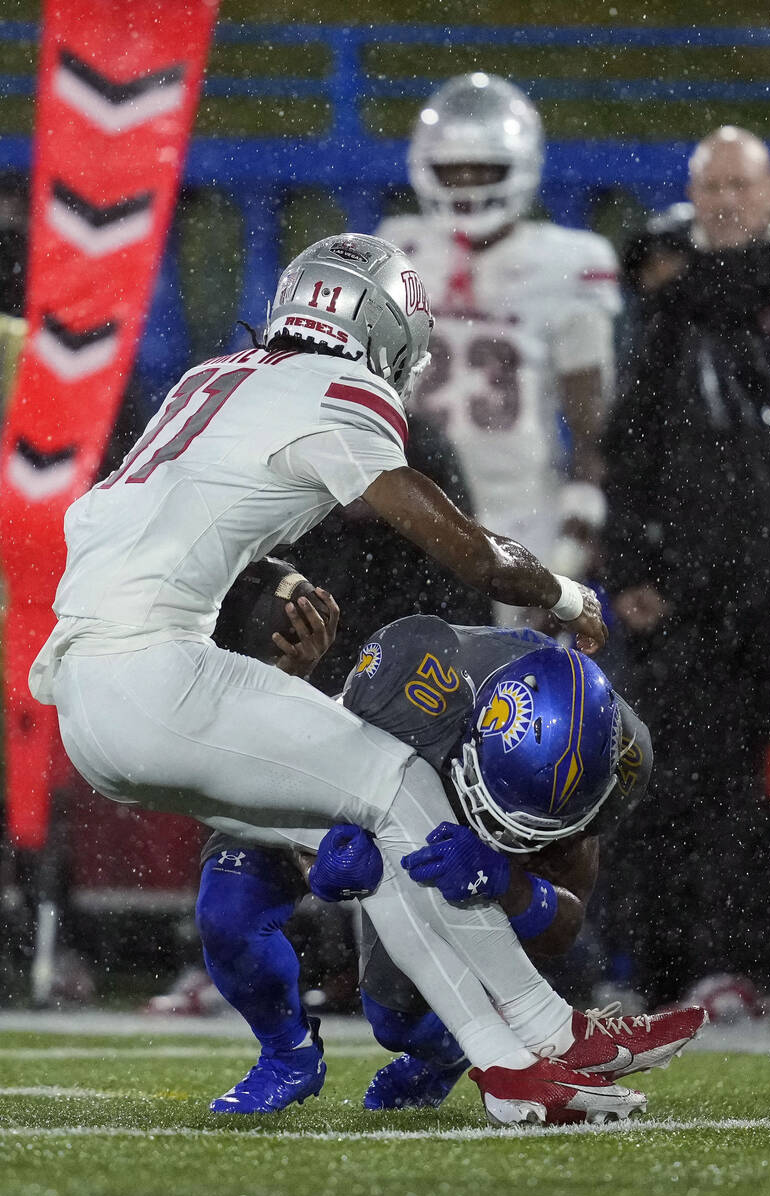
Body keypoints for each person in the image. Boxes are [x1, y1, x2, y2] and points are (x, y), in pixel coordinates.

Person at [28, 231, 644, 1128]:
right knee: (400, 786)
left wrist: (267, 580)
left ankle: (498, 1058)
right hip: (156, 674)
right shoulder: (340, 389)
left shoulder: (211, 378)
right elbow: (474, 558)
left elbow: (158, 517)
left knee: (386, 829)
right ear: (382, 328)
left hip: (89, 703)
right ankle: (538, 1043)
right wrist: (564, 593)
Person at [195, 587, 705, 1115]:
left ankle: (448, 1053)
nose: (510, 831)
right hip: (338, 781)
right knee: (228, 911)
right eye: (500, 808)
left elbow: (565, 924)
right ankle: (286, 1056)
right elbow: (312, 769)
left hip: (444, 829)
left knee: (398, 1019)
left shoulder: (616, 760)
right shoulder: (412, 678)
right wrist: (318, 853)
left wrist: (508, 884)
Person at [604, 127, 770, 1009]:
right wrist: (632, 561)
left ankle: (754, 961)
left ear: (768, 193)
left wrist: (680, 282)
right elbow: (631, 442)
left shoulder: (683, 285)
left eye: (738, 185)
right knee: (694, 777)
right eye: (710, 185)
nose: (725, 200)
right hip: (701, 584)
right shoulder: (666, 301)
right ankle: (709, 963)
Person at [377, 73, 620, 598]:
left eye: (482, 168)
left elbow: (591, 427)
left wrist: (574, 538)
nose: (467, 183)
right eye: (453, 169)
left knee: (510, 676)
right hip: (412, 510)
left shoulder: (568, 263)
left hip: (521, 516)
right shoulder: (398, 249)